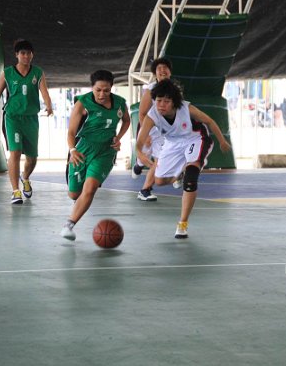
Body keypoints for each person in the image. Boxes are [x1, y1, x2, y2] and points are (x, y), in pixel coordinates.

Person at [135, 79, 231, 239]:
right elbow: (139, 141)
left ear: (174, 102)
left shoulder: (186, 108)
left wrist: (222, 140)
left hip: (195, 139)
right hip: (172, 144)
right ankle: (180, 174)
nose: (161, 105)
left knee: (191, 178)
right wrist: (140, 154)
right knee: (159, 181)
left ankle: (182, 224)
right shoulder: (152, 115)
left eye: (166, 101)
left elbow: (209, 121)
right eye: (158, 100)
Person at [0, 39, 53, 204]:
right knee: (15, 152)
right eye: (23, 53)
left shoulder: (38, 72)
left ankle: (25, 177)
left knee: (32, 158)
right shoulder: (7, 73)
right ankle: (15, 191)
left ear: (32, 55)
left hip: (31, 119)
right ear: (17, 55)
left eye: (29, 53)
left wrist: (49, 105)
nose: (26, 56)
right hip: (13, 117)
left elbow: (44, 92)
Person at [60, 70, 130, 241]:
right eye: (98, 89)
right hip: (82, 150)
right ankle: (78, 203)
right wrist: (72, 150)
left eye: (106, 90)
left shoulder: (120, 103)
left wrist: (118, 137)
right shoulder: (82, 103)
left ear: (111, 88)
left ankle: (69, 225)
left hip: (106, 151)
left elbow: (127, 120)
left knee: (90, 188)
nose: (102, 94)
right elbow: (71, 132)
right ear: (92, 87)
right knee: (74, 195)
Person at [132, 57, 172, 201]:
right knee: (144, 158)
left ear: (170, 72)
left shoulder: (174, 90)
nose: (162, 70)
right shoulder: (151, 89)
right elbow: (142, 113)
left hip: (164, 132)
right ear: (155, 73)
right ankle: (138, 165)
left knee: (160, 161)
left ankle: (144, 190)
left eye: (165, 68)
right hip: (149, 129)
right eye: (159, 68)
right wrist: (146, 133)